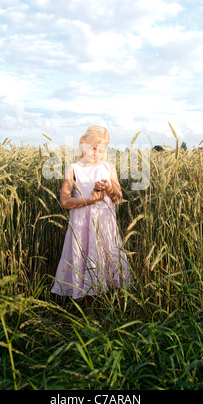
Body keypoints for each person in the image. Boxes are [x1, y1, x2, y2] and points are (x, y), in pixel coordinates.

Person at [51, 125, 131, 309]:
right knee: (85, 258)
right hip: (82, 224)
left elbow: (119, 198)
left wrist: (109, 189)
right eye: (92, 147)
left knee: (108, 257)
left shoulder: (108, 167)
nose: (96, 153)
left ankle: (113, 309)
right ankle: (88, 313)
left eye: (101, 150)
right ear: (82, 143)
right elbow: (64, 201)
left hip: (105, 224)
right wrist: (90, 200)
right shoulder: (73, 168)